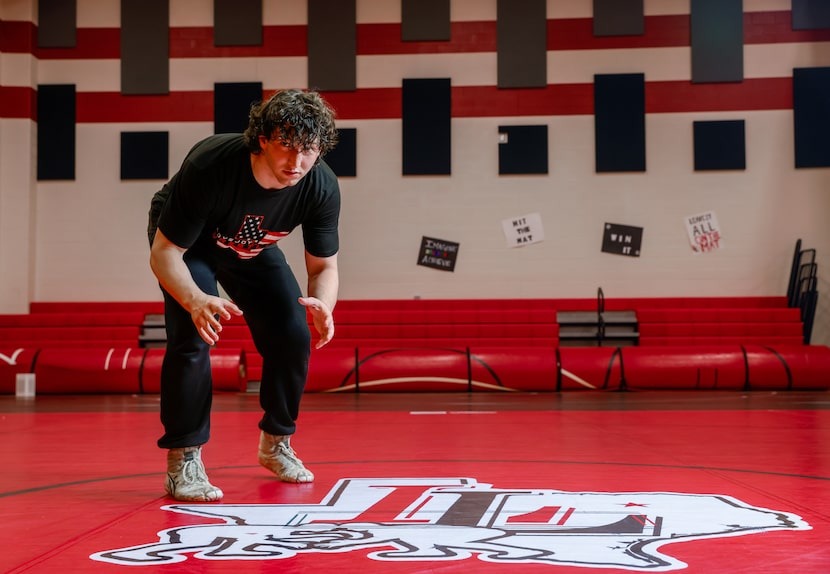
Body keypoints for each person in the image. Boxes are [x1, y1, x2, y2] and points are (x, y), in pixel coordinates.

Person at [147, 89, 340, 502]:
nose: (297, 162)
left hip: (252, 248)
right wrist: (196, 301)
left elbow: (324, 267)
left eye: (309, 149)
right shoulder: (212, 164)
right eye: (287, 145)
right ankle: (184, 458)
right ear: (264, 139)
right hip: (189, 246)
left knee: (292, 334)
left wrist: (324, 303)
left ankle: (276, 443)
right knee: (192, 336)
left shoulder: (319, 184)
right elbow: (164, 254)